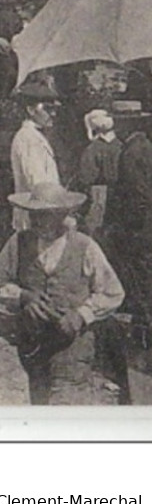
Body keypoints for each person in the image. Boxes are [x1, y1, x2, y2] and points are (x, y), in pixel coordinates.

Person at [0, 182, 125, 405]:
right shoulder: (19, 242)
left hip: (73, 347)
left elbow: (112, 292)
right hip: (33, 346)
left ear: (62, 215)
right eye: (33, 215)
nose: (37, 221)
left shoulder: (85, 246)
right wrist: (23, 296)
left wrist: (81, 315)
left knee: (66, 405)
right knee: (40, 400)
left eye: (44, 215)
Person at [105, 105, 152, 342]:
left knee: (142, 279)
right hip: (145, 226)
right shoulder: (145, 147)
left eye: (119, 122)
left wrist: (129, 227)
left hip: (139, 229)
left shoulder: (132, 152)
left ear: (128, 124)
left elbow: (139, 195)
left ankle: (146, 332)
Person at [10, 82, 61, 231]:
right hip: (37, 215)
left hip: (41, 213)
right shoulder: (28, 139)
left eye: (54, 109)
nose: (53, 114)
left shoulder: (35, 136)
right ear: (31, 110)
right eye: (48, 109)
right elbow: (38, 182)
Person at [73, 109, 121, 238]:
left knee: (96, 233)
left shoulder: (92, 150)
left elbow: (85, 179)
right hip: (119, 195)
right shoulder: (122, 146)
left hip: (98, 197)